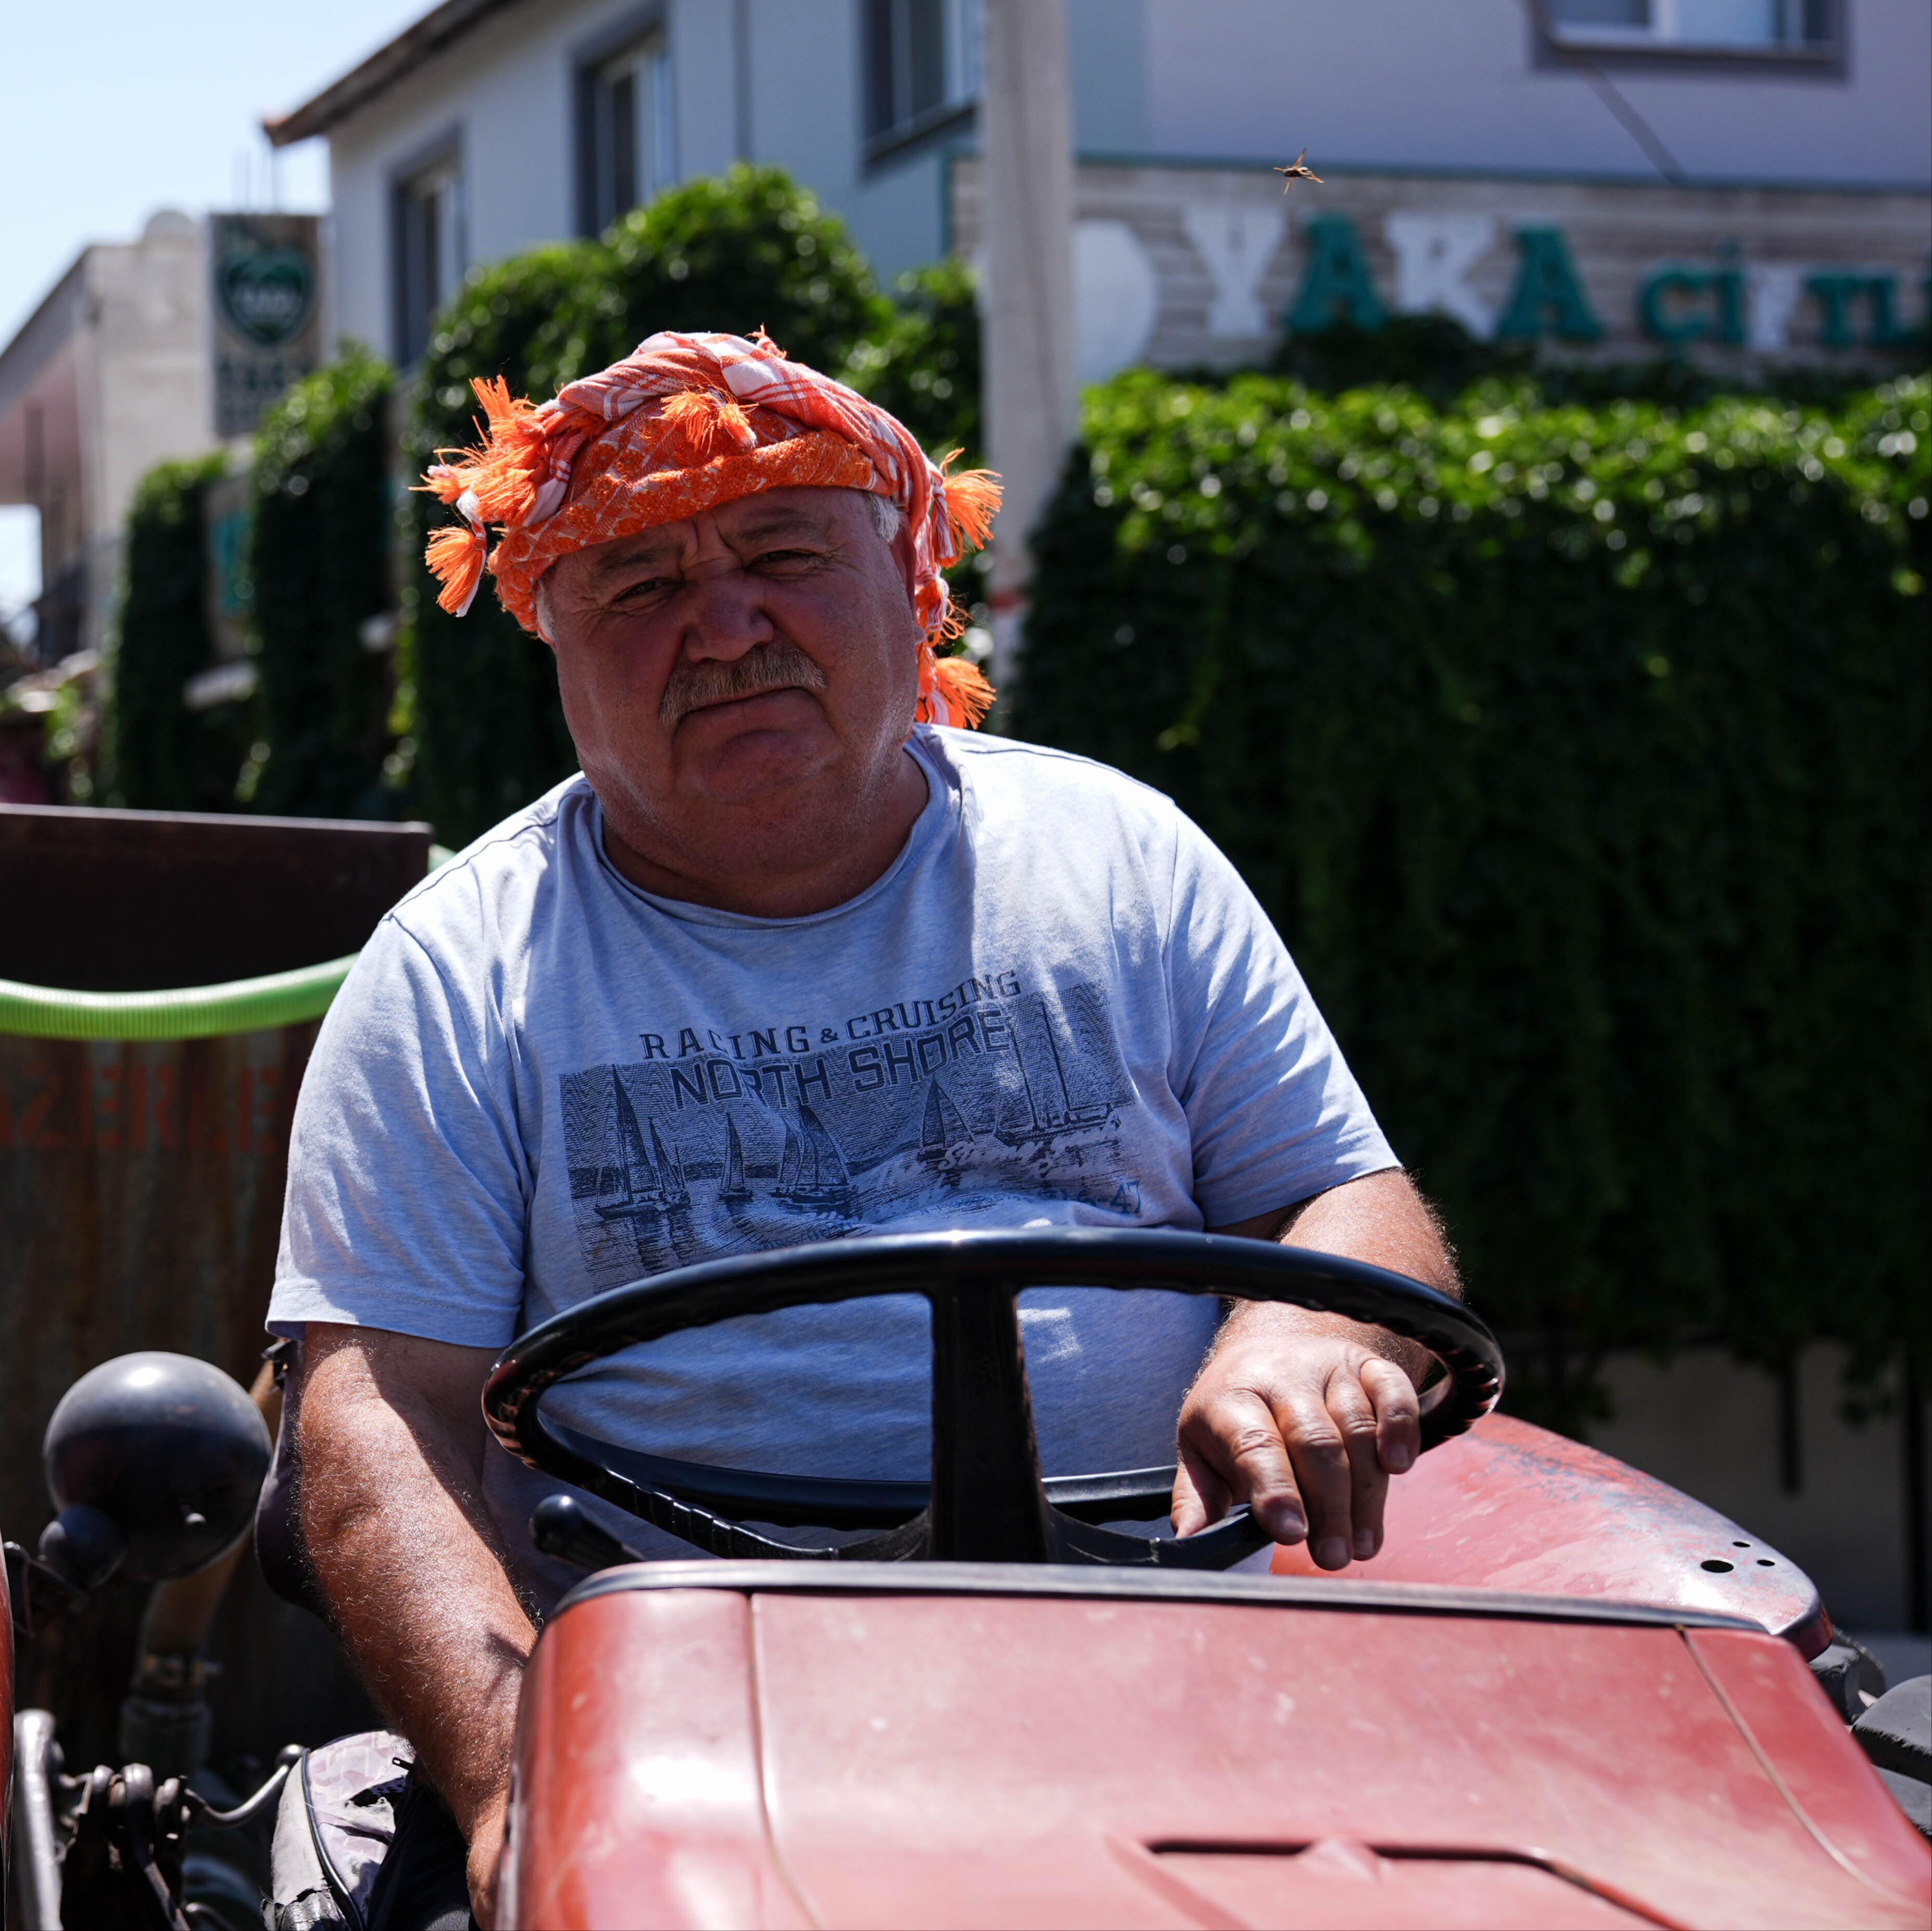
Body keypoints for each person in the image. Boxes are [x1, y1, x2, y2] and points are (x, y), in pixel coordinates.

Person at [264, 330, 1462, 1927]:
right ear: (550, 642)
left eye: (779, 554)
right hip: (693, 1726)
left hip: (1187, 1669)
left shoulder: (1119, 858)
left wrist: (1306, 1323)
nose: (725, 624)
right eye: (638, 585)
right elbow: (374, 1428)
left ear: (910, 589)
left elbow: (1346, 1197)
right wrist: (512, 1790)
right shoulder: (453, 975)